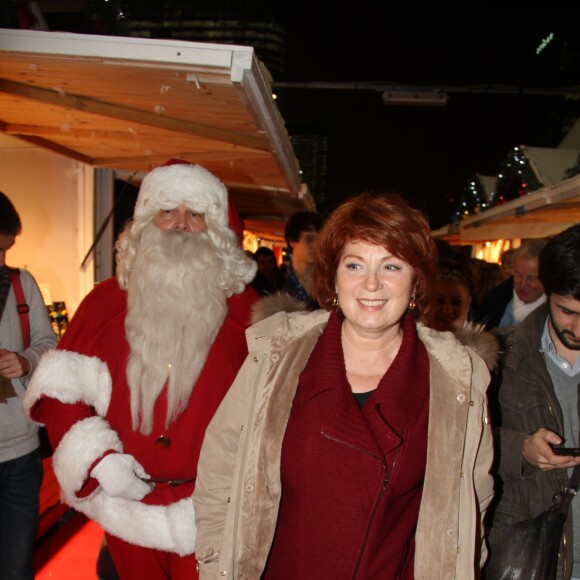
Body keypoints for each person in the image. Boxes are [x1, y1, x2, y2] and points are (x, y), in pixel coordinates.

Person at [193, 192, 496, 579]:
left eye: (391, 266)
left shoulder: (454, 380)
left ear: (416, 282)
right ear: (333, 276)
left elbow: (474, 496)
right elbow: (221, 466)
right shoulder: (277, 359)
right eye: (355, 265)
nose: (372, 284)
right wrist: (217, 563)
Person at [22, 163, 258, 579]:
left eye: (196, 214)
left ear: (218, 229)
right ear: (147, 220)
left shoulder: (247, 314)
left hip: (212, 515)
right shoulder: (104, 303)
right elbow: (61, 390)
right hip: (127, 510)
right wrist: (97, 460)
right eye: (168, 210)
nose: (181, 225)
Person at [485, 224, 580, 580]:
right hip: (534, 559)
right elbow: (461, 445)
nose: (578, 329)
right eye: (568, 312)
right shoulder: (499, 355)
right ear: (548, 292)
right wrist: (521, 448)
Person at [0, 191, 57, 580]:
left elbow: (48, 342)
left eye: (5, 250)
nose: (1, 262)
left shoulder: (21, 284)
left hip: (20, 454)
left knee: (17, 568)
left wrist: (25, 360)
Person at [476, 239, 547, 330]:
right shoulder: (495, 301)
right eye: (518, 275)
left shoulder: (556, 314)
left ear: (547, 278)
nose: (523, 284)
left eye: (531, 278)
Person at [282, 209, 321, 307]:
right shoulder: (277, 282)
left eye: (321, 240)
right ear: (292, 241)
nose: (316, 246)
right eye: (309, 239)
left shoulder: (330, 282)